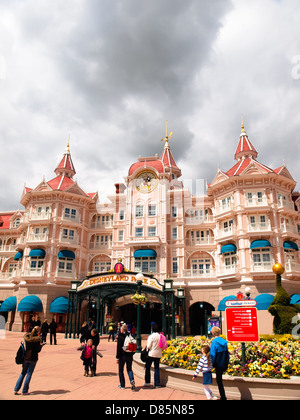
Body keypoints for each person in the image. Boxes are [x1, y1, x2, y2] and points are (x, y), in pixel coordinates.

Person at [14, 326, 45, 395]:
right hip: (33, 358)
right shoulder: (37, 340)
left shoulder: (27, 338)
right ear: (38, 332)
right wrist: (41, 346)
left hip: (26, 358)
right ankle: (24, 390)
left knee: (22, 373)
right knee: (29, 374)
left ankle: (16, 389)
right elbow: (37, 350)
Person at [210, 326, 229, 400]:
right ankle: (223, 396)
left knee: (219, 380)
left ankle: (223, 397)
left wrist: (211, 364)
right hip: (223, 363)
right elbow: (227, 354)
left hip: (217, 364)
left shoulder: (214, 342)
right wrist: (227, 363)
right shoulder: (224, 342)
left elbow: (212, 355)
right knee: (219, 379)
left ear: (213, 333)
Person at [116, 324, 135, 390]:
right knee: (129, 369)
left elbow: (118, 348)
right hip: (129, 355)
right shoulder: (130, 336)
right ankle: (132, 380)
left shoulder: (120, 336)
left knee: (121, 370)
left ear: (122, 329)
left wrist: (117, 357)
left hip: (122, 355)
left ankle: (122, 385)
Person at [144, 324, 162, 388]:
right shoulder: (160, 336)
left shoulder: (151, 336)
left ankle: (147, 382)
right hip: (158, 354)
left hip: (151, 354)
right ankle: (157, 384)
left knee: (148, 367)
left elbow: (148, 346)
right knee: (156, 368)